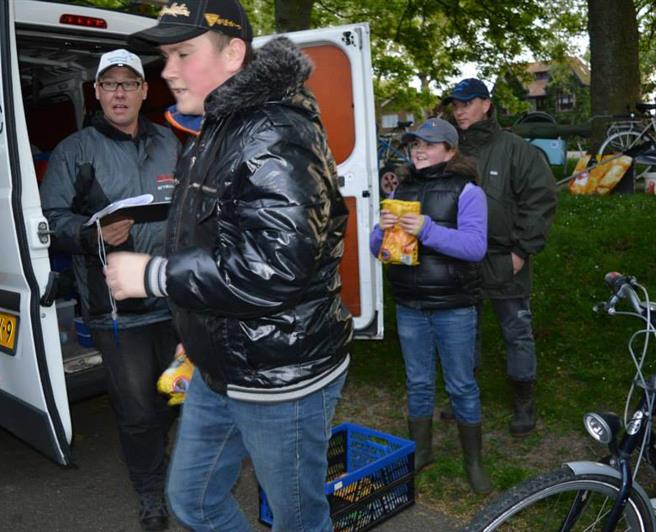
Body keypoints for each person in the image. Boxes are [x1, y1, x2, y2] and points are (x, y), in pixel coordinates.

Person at [105, 1, 353, 529]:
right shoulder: (216, 127)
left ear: (233, 53)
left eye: (183, 54)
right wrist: (196, 331)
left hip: (280, 375)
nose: (167, 71)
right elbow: (218, 243)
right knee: (193, 501)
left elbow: (276, 269)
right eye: (166, 57)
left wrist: (152, 275)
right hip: (219, 365)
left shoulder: (273, 132)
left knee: (298, 521)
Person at [40, 49, 180, 531]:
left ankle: (164, 463)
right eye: (110, 84)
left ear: (144, 91)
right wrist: (92, 233)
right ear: (97, 92)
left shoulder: (169, 142)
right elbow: (51, 221)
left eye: (129, 83)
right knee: (136, 408)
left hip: (172, 296)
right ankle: (150, 493)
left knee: (175, 395)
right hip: (116, 307)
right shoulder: (74, 151)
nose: (120, 93)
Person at [369, 118, 491, 493]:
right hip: (410, 304)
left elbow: (475, 248)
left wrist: (427, 229)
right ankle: (422, 452)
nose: (418, 150)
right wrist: (381, 229)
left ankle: (474, 462)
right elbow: (378, 249)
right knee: (418, 383)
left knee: (461, 386)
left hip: (454, 305)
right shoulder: (401, 188)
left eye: (428, 144)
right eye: (414, 144)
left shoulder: (468, 191)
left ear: (450, 151)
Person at [443, 78, 557, 436]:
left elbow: (540, 200)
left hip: (504, 256)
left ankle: (524, 400)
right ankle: (463, 395)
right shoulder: (450, 151)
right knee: (464, 329)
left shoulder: (515, 149)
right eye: (455, 105)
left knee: (517, 330)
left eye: (466, 104)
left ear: (485, 105)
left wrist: (522, 250)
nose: (459, 111)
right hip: (461, 257)